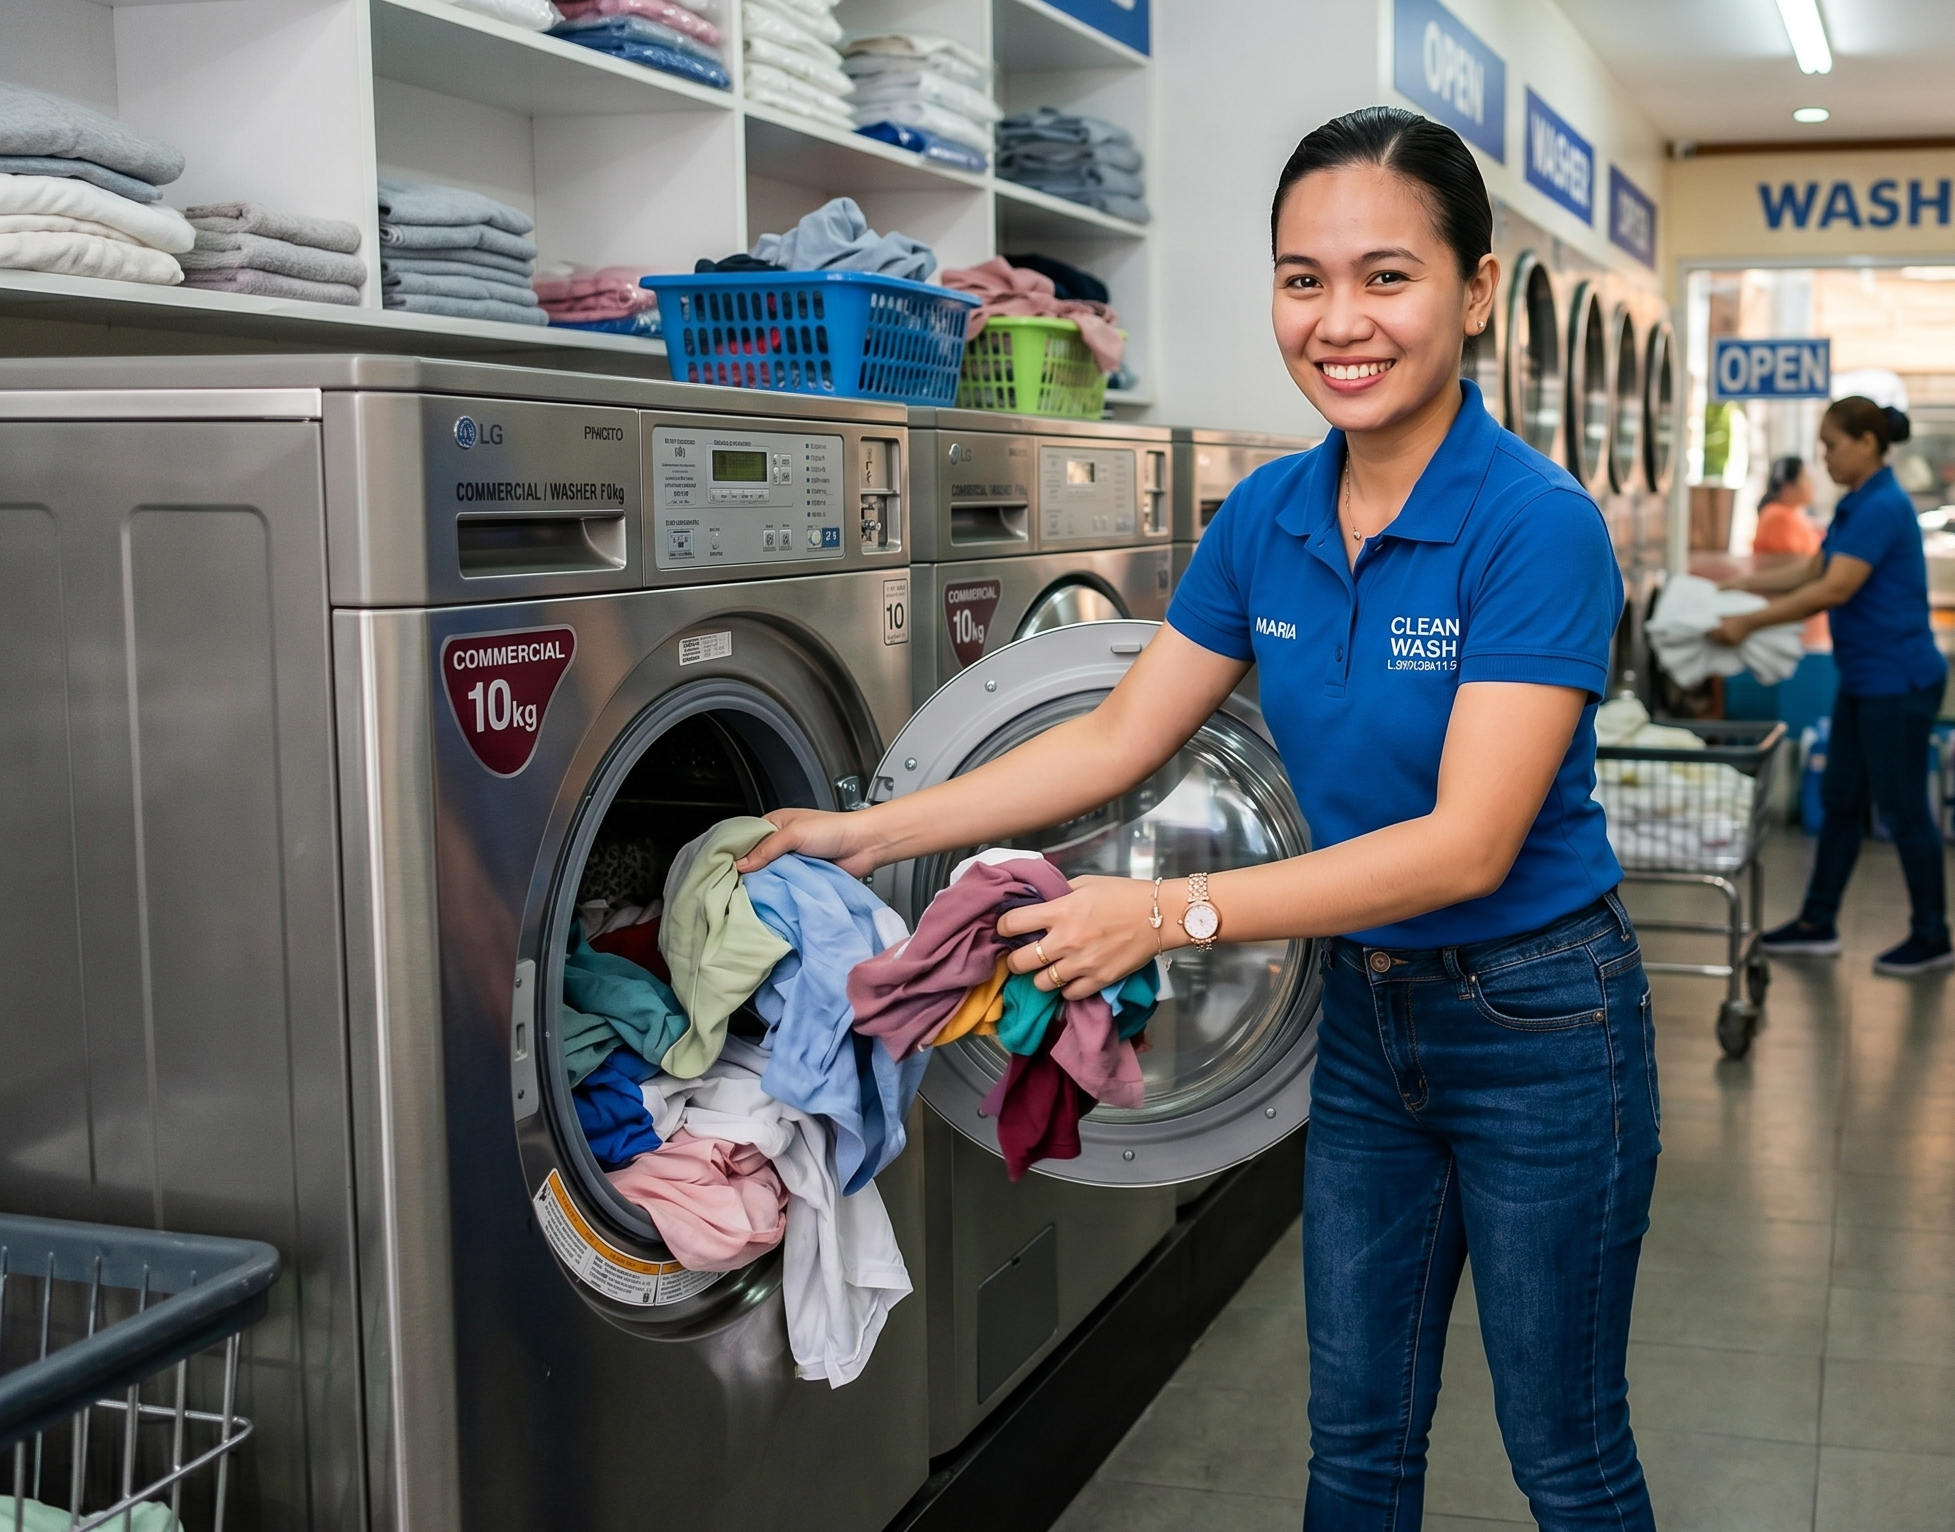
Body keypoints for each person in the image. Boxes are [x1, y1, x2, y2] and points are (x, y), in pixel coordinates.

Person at [742, 106, 1655, 1530]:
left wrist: (1161, 913)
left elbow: (1466, 843)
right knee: (1353, 1437)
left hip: (1541, 1024)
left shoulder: (1531, 526)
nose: (1337, 321)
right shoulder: (1265, 517)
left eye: (1384, 275)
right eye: (1302, 279)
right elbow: (1114, 734)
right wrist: (867, 832)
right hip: (1367, 1016)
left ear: (1474, 292)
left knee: (1562, 1449)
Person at [1718, 399, 1951, 974]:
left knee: (1902, 811)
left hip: (1897, 680)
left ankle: (1933, 936)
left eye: (1832, 444)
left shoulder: (1883, 505)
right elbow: (1810, 571)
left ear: (1868, 442)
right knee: (1842, 799)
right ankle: (1817, 922)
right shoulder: (1859, 503)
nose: (1824, 457)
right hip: (1866, 678)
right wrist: (1735, 588)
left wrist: (1748, 621)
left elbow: (1834, 589)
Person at [1750, 455, 1829, 649]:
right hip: (1791, 626)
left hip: (1802, 624)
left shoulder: (1793, 515)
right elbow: (1796, 572)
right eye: (1806, 477)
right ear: (1788, 486)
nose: (1812, 484)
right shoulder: (1777, 518)